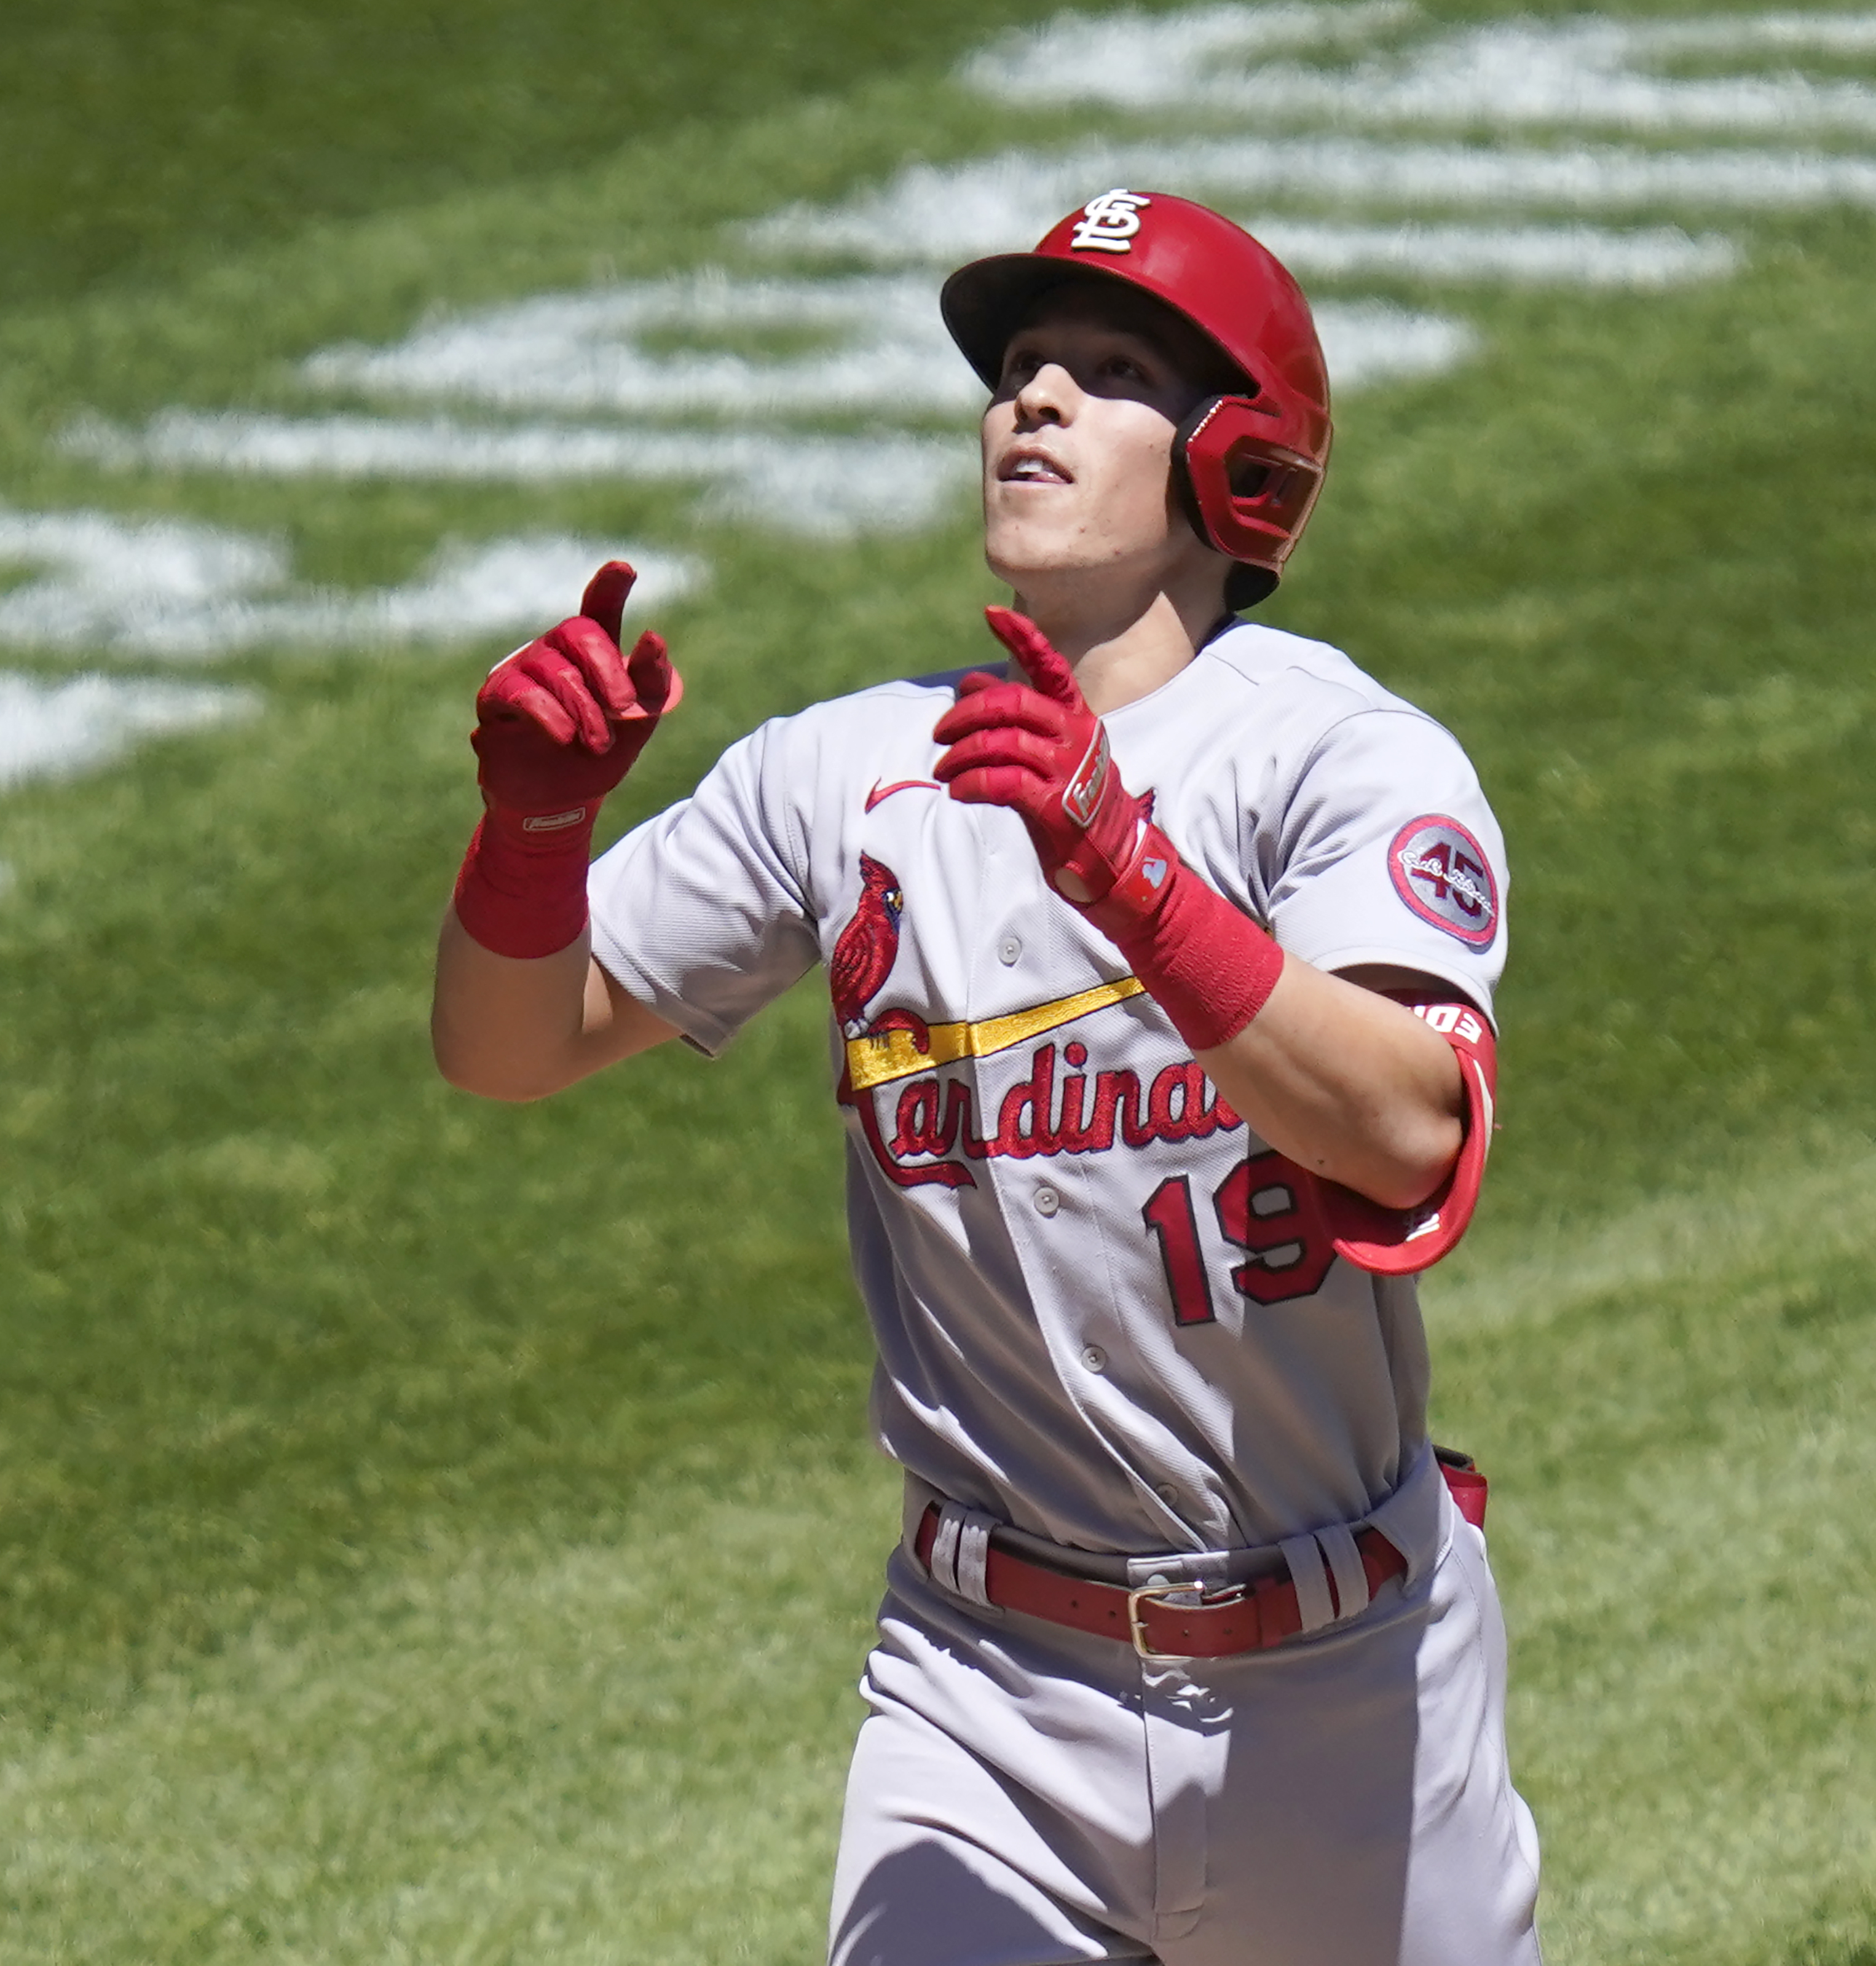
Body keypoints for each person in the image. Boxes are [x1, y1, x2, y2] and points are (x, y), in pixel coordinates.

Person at [430, 190, 1542, 1966]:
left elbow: (1410, 1134)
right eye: (1019, 367)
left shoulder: (1334, 757)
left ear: (1238, 467)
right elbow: (505, 1048)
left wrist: (1137, 881)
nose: (1033, 400)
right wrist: (534, 833)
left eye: (1109, 374)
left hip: (1342, 1696)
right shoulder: (851, 772)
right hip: (982, 1690)